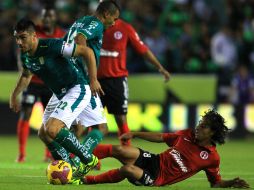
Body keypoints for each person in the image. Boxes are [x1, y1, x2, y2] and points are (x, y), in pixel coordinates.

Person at [10, 16, 105, 177]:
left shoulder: (53, 45)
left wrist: (93, 80)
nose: (19, 42)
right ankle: (69, 167)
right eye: (17, 38)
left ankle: (88, 160)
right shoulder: (25, 56)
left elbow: (86, 51)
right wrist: (14, 95)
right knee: (44, 133)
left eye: (23, 38)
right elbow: (26, 76)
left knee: (53, 129)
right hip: (59, 93)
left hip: (76, 87)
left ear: (34, 36)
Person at [71, 109, 250, 188]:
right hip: (154, 160)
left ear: (212, 133)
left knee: (127, 170)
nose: (198, 127)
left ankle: (87, 181)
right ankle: (74, 157)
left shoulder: (212, 157)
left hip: (158, 178)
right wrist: (134, 133)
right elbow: (160, 137)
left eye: (203, 126)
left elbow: (215, 183)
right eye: (199, 123)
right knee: (120, 150)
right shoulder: (186, 134)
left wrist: (231, 183)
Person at [97, 15, 170, 146]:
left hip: (117, 81)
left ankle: (128, 154)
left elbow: (143, 50)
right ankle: (92, 158)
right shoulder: (91, 26)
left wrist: (160, 68)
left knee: (120, 119)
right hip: (95, 81)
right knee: (94, 120)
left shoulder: (125, 28)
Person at [16, 5, 66, 163]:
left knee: (50, 119)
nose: (46, 19)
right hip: (33, 82)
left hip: (51, 84)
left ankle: (48, 154)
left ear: (54, 18)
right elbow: (23, 55)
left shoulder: (61, 34)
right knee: (26, 113)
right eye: (44, 16)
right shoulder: (32, 32)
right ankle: (22, 154)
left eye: (49, 16)